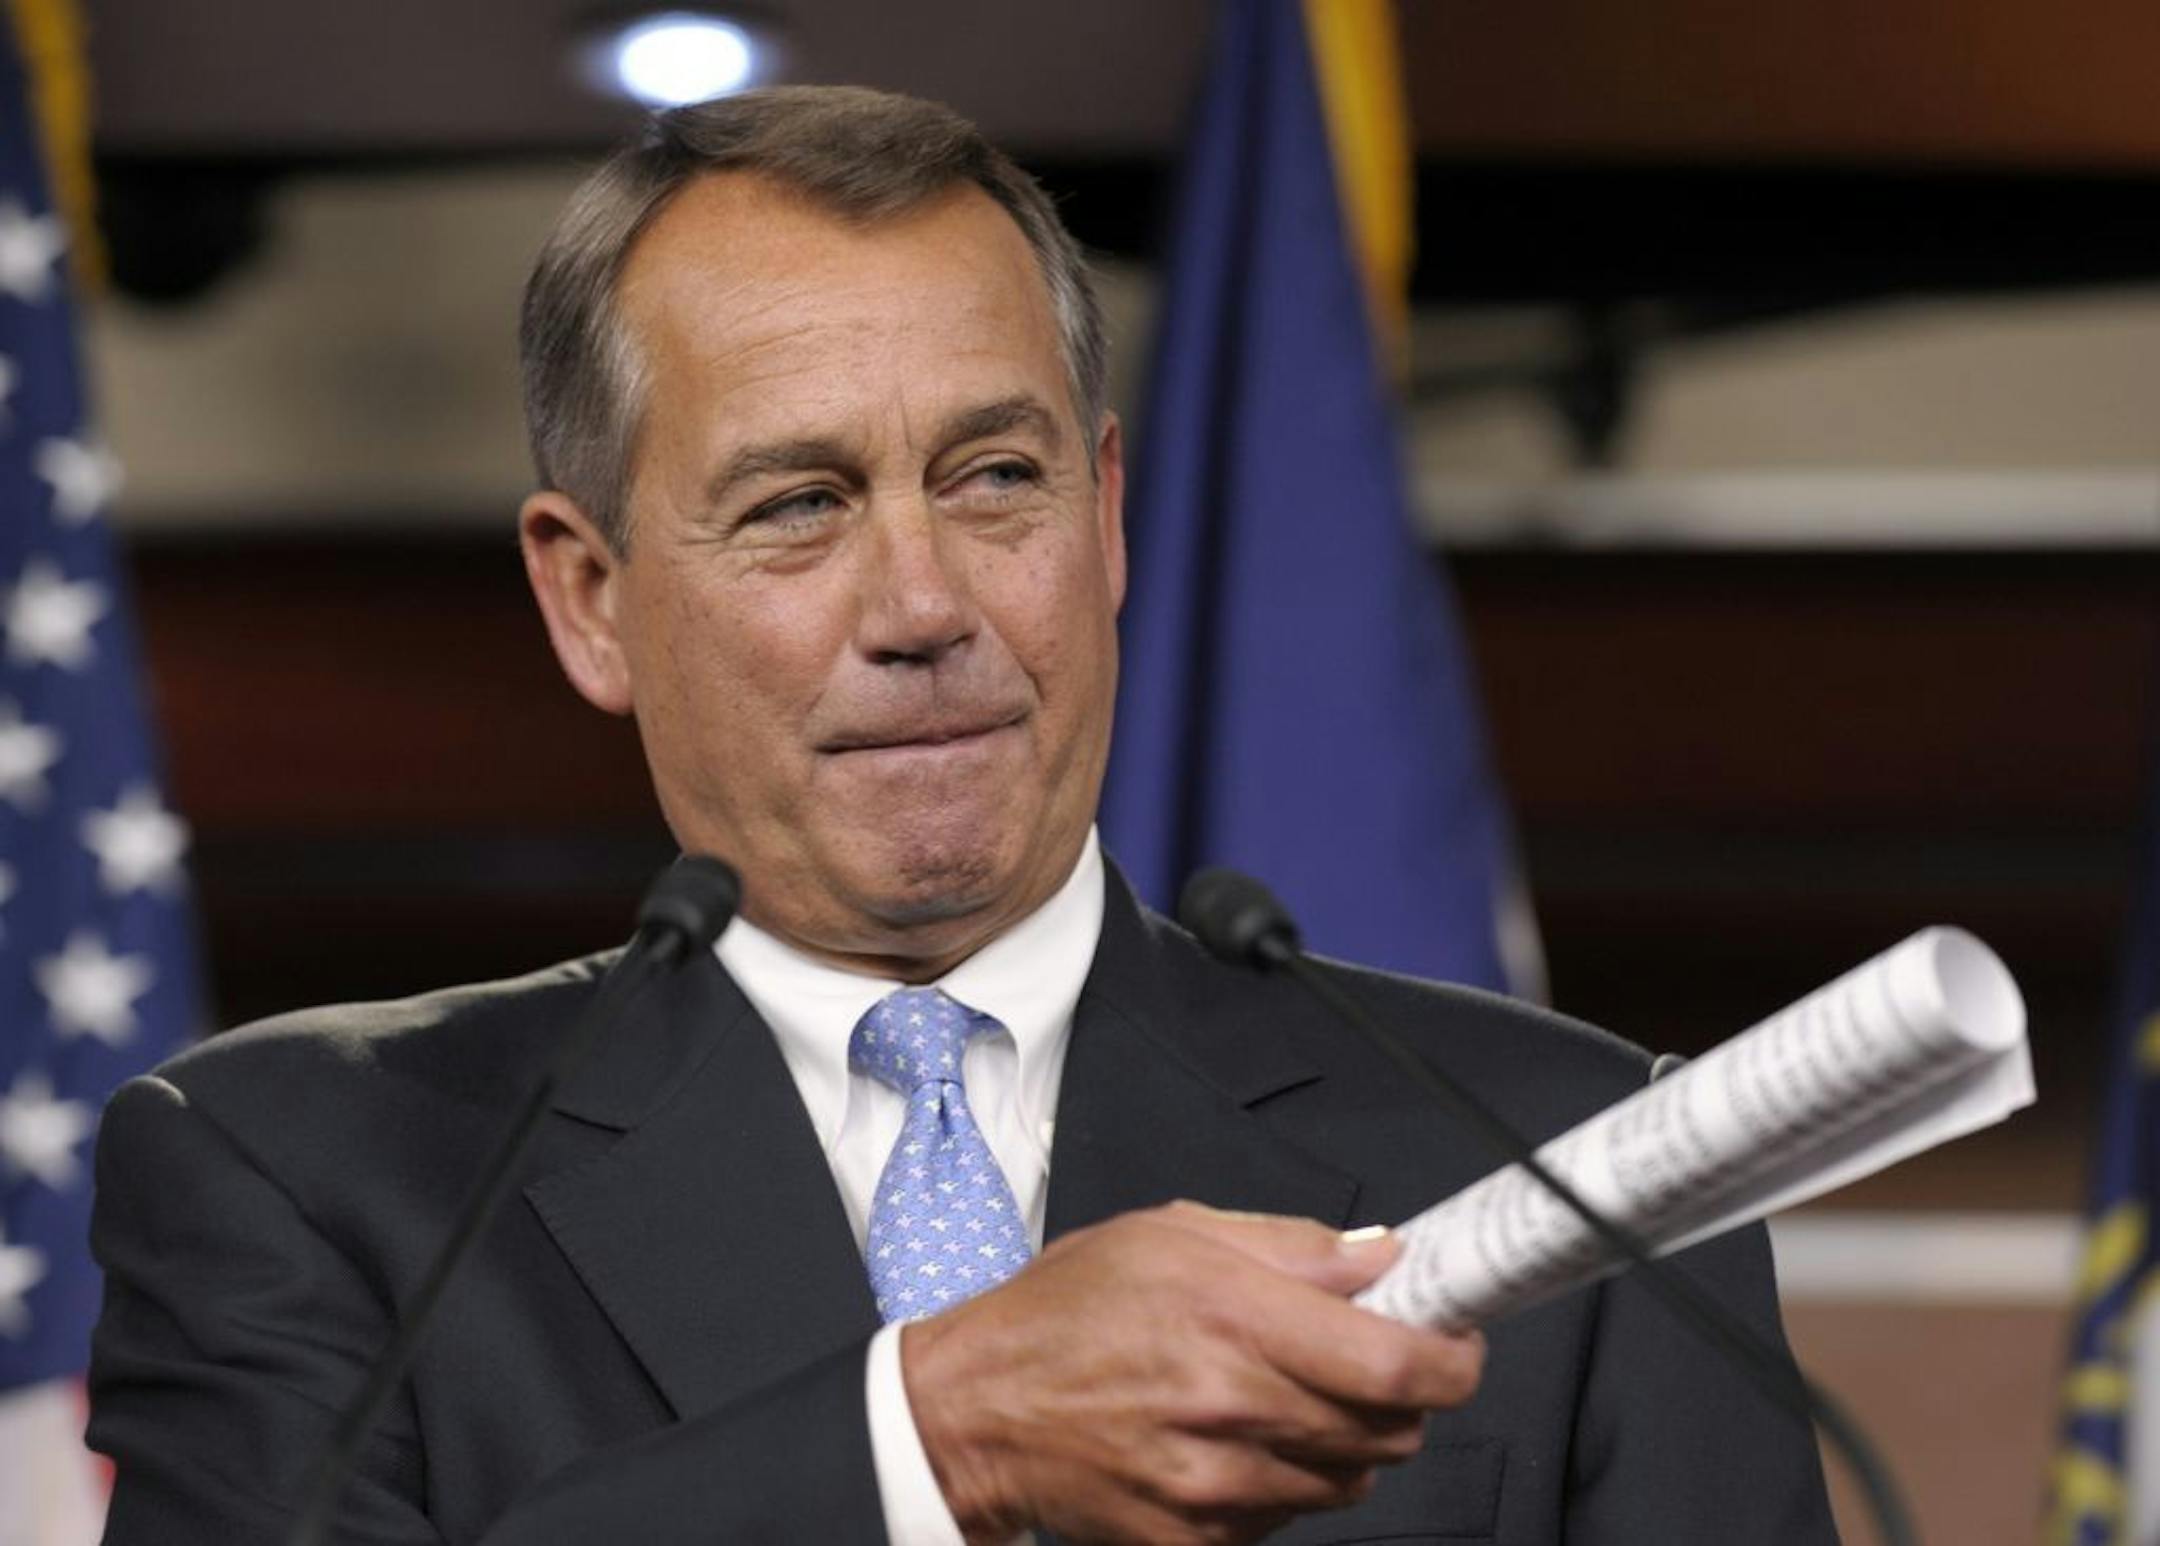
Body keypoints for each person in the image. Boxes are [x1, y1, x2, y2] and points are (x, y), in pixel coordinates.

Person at [86, 87, 1837, 1545]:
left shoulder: (1562, 1162)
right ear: (592, 599)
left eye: (997, 477)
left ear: (1109, 517)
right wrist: (929, 1436)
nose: (924, 601)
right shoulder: (312, 1184)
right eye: (799, 504)